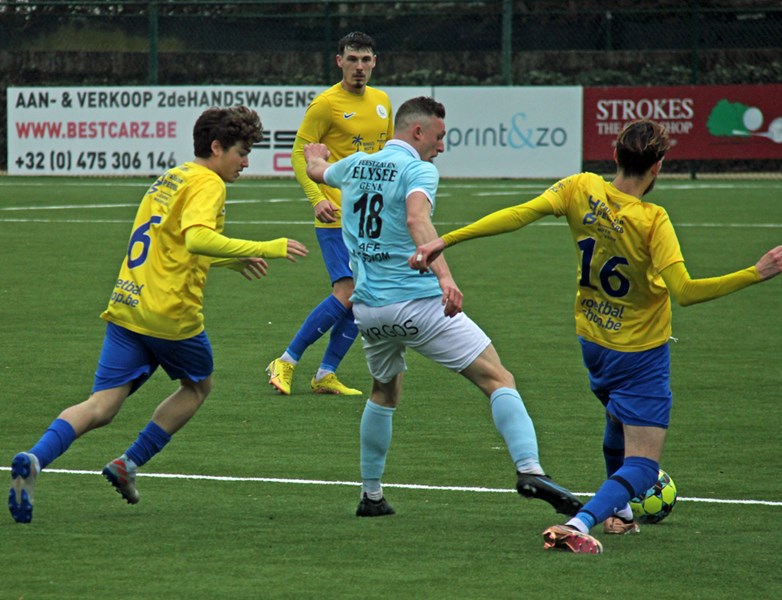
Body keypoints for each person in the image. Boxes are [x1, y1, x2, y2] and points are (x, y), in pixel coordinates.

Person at [410, 118, 782, 553]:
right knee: (645, 468)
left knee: (616, 419)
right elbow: (684, 292)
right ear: (658, 167)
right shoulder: (653, 220)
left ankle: (622, 514)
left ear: (615, 156)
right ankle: (581, 522)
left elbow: (518, 215)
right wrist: (753, 273)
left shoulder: (581, 187)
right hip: (640, 353)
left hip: (592, 341)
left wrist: (446, 240)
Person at [8, 106, 308, 524]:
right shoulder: (208, 184)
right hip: (170, 316)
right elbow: (199, 237)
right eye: (241, 151)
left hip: (129, 303)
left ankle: (35, 459)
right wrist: (265, 246)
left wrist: (228, 262)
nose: (246, 161)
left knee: (101, 405)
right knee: (199, 386)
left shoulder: (172, 176)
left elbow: (175, 243)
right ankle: (128, 464)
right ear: (217, 147)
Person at [303, 96, 583, 518]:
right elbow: (417, 219)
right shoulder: (419, 169)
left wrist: (313, 154)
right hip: (416, 303)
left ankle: (371, 496)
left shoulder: (356, 164)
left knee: (384, 390)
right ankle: (530, 469)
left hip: (369, 312)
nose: (442, 146)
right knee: (497, 377)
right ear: (417, 132)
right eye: (439, 136)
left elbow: (318, 171)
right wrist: (446, 278)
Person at [265, 31, 393, 396]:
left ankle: (325, 374)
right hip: (336, 215)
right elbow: (298, 153)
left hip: (372, 217)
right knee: (349, 290)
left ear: (375, 62)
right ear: (339, 61)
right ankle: (286, 361)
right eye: (352, 59)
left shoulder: (383, 102)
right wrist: (315, 198)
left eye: (366, 60)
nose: (359, 67)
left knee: (363, 294)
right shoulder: (326, 104)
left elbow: (385, 158)